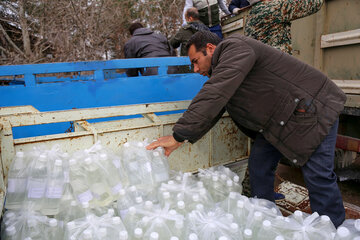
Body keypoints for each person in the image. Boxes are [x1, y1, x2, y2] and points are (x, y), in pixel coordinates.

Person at [147, 31, 346, 227]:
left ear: (210, 48)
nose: (195, 69)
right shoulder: (226, 68)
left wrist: (178, 135)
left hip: (311, 109)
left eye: (196, 61)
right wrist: (183, 137)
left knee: (317, 174)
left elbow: (215, 93)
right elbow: (215, 106)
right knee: (259, 165)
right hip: (281, 120)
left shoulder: (235, 48)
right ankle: (264, 217)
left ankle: (332, 228)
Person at [244, 0, 324, 54]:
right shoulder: (274, 7)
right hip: (277, 67)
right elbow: (314, 4)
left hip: (264, 69)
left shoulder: (251, 14)